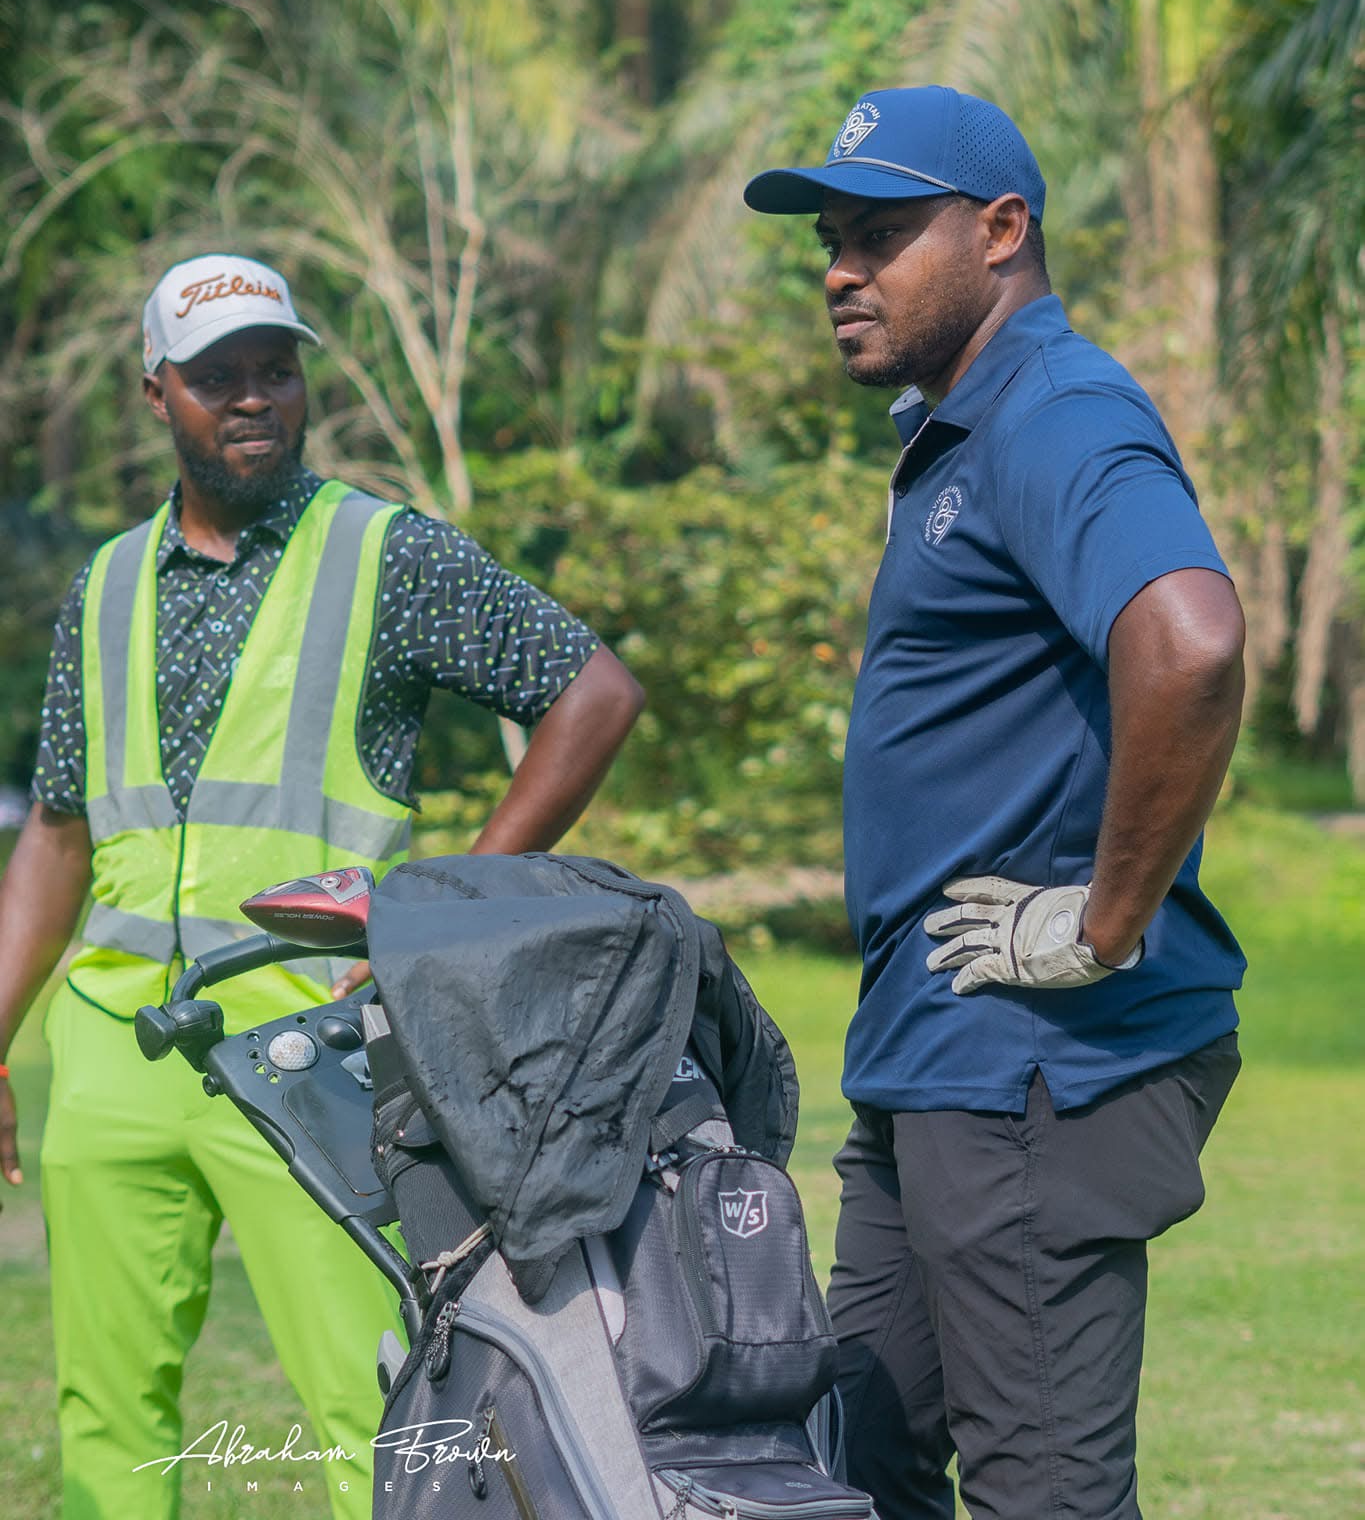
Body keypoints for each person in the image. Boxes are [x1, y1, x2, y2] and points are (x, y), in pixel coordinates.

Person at [0, 252, 644, 1520]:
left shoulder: (383, 553)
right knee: (105, 1421)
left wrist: (435, 912)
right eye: (218, 376)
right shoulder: (105, 584)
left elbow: (594, 692)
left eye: (276, 370)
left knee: (382, 1406)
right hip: (113, 1052)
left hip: (313, 1048)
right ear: (156, 393)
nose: (254, 397)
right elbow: (59, 833)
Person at [743, 89, 1246, 1520]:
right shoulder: (963, 430)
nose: (842, 271)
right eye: (832, 243)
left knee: (1044, 1496)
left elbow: (1192, 642)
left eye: (881, 235)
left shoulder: (1053, 412)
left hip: (1028, 1066)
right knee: (857, 1461)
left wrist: (1102, 921)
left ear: (1003, 229)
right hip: (934, 1051)